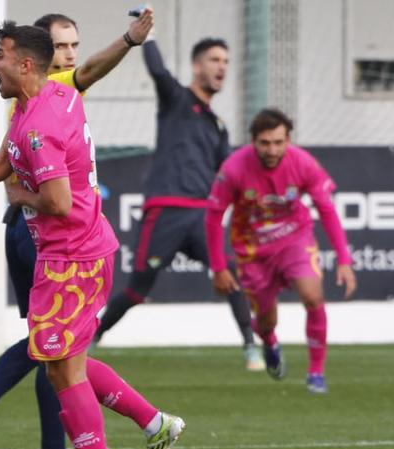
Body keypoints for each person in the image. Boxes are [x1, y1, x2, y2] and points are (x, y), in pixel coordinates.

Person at [0, 22, 184, 449]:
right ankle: (154, 423)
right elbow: (10, 149)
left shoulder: (41, 125)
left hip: (71, 258)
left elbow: (58, 202)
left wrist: (16, 194)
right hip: (78, 251)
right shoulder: (49, 99)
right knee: (67, 364)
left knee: (63, 372)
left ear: (24, 64)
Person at [93, 36, 265, 371]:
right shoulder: (176, 100)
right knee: (137, 290)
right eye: (215, 60)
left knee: (229, 274)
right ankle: (90, 341)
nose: (222, 67)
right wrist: (149, 36)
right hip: (166, 211)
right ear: (198, 66)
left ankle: (250, 347)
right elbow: (158, 70)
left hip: (202, 215)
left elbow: (227, 172)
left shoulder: (218, 124)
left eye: (226, 62)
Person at [206, 108, 357, 394]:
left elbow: (327, 209)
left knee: (313, 297)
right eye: (265, 143)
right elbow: (213, 216)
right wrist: (219, 267)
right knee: (266, 320)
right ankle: (269, 340)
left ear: (288, 139)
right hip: (252, 251)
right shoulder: (234, 168)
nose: (272, 149)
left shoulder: (304, 163)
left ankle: (316, 373)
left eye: (278, 142)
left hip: (295, 240)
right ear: (253, 142)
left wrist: (344, 259)